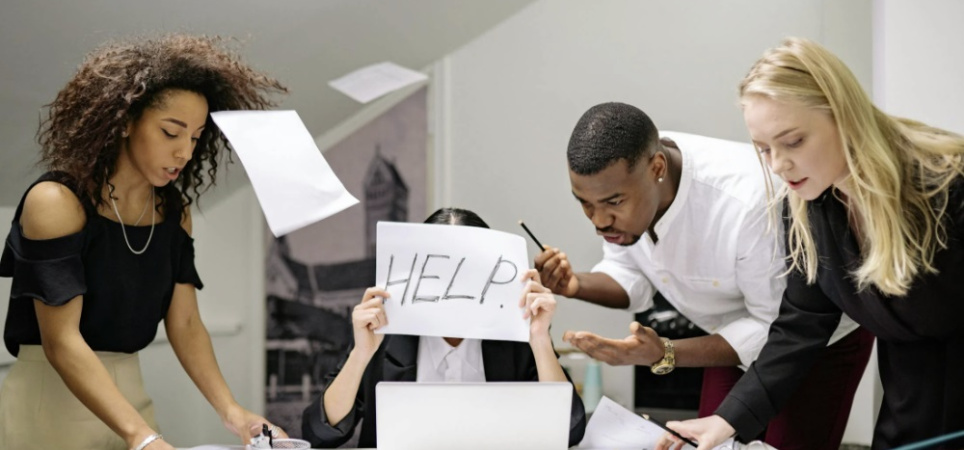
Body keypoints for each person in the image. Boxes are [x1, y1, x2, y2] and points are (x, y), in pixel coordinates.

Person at [658, 37, 964, 450]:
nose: (778, 164)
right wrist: (726, 420)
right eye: (763, 148)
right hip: (911, 403)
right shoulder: (810, 205)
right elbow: (801, 324)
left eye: (794, 141)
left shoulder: (946, 185)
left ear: (844, 115)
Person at [0, 34, 288, 450]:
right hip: (51, 397)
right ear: (125, 121)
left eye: (195, 137)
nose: (185, 153)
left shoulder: (174, 213)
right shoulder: (56, 203)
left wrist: (233, 412)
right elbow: (60, 341)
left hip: (131, 399)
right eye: (171, 132)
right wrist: (142, 436)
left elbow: (186, 323)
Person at [539, 102, 874, 449]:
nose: (598, 221)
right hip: (726, 334)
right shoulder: (628, 175)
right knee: (701, 445)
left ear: (656, 167)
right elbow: (629, 275)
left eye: (613, 203)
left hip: (816, 342)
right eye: (585, 203)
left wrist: (665, 353)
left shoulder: (747, 202)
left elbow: (778, 329)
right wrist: (575, 285)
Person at [301, 207, 587, 448]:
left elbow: (569, 431)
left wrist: (538, 340)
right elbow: (320, 433)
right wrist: (360, 355)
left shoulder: (516, 336)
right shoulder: (384, 334)